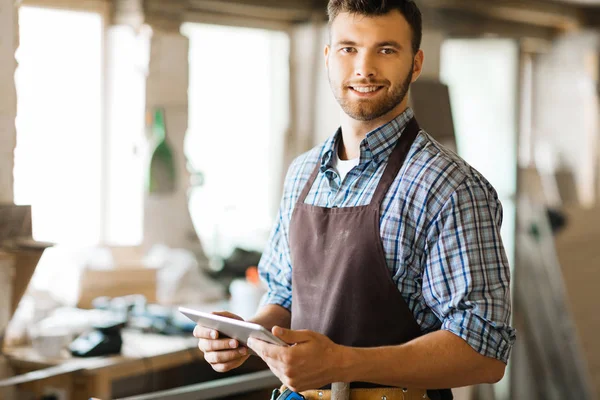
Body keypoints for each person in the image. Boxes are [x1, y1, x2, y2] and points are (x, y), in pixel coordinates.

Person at [194, 1, 516, 399]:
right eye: (349, 48)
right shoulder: (301, 174)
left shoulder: (450, 186)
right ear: (328, 58)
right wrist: (246, 335)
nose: (364, 68)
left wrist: (342, 363)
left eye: (386, 50)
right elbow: (284, 296)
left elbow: (483, 351)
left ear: (415, 64)